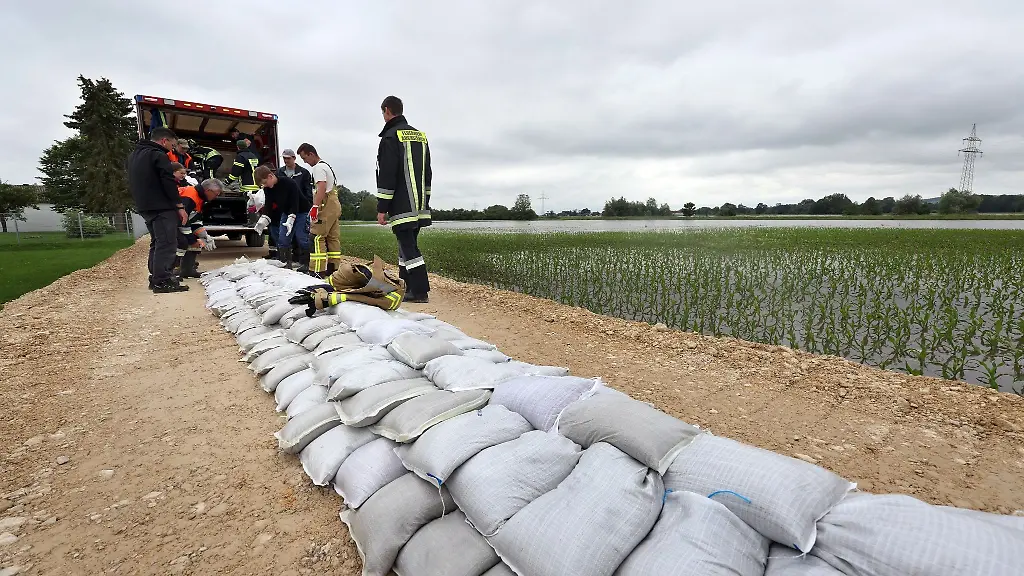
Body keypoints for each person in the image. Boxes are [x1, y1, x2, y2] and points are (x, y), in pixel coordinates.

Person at [374, 95, 431, 303]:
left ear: (387, 110)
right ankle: (406, 285)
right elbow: (428, 172)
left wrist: (382, 207)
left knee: (409, 247)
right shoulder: (420, 137)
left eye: (382, 113)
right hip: (419, 204)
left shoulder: (390, 137)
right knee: (405, 245)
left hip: (401, 203)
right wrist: (426, 200)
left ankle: (419, 291)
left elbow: (387, 174)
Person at [126, 127, 189, 293]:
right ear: (164, 141)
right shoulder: (158, 155)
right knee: (167, 242)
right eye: (172, 144)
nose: (172, 148)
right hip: (162, 206)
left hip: (145, 206)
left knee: (157, 242)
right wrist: (179, 206)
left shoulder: (134, 156)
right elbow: (168, 182)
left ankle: (156, 277)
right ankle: (162, 281)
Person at [296, 143, 342, 278]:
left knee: (317, 236)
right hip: (334, 204)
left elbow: (321, 187)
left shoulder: (318, 168)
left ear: (311, 154)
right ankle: (334, 269)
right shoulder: (326, 166)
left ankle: (317, 270)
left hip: (326, 204)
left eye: (305, 158)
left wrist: (315, 206)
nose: (305, 162)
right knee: (333, 238)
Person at [255, 166, 310, 270]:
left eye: (265, 182)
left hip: (301, 211)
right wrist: (263, 220)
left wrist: (292, 218)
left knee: (301, 237)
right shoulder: (268, 189)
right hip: (285, 212)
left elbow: (295, 202)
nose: (265, 186)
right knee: (283, 238)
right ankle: (285, 262)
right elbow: (269, 205)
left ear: (270, 176)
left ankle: (306, 263)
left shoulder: (289, 183)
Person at [176, 179, 223, 278]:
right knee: (182, 242)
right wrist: (192, 240)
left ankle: (187, 270)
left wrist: (204, 235)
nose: (216, 197)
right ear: (208, 190)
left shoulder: (200, 198)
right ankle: (172, 270)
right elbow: (182, 221)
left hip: (179, 222)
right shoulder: (190, 197)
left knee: (195, 240)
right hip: (170, 222)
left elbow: (194, 220)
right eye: (216, 194)